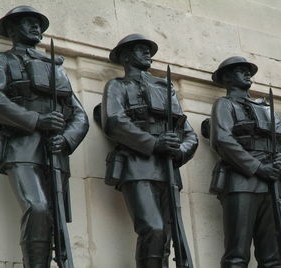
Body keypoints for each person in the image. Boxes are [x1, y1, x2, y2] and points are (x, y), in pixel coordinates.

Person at [0, 6, 89, 268]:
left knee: (56, 218)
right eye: (28, 23)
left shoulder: (56, 69)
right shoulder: (2, 60)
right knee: (37, 208)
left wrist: (67, 139)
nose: (36, 27)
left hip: (55, 150)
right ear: (12, 29)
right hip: (21, 148)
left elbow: (79, 115)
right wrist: (36, 120)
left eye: (38, 23)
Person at [100, 33, 198, 268]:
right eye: (140, 49)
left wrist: (180, 151)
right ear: (125, 57)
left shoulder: (165, 90)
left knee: (165, 236)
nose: (147, 53)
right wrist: (154, 144)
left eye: (148, 49)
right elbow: (114, 122)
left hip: (168, 170)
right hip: (136, 166)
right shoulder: (117, 85)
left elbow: (189, 133)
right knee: (152, 228)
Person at [209, 56, 281, 268]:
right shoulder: (224, 104)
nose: (248, 73)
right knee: (237, 254)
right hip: (240, 182)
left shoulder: (267, 108)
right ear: (227, 77)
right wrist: (258, 167)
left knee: (273, 257)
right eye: (240, 70)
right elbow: (223, 140)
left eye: (248, 70)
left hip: (271, 183)